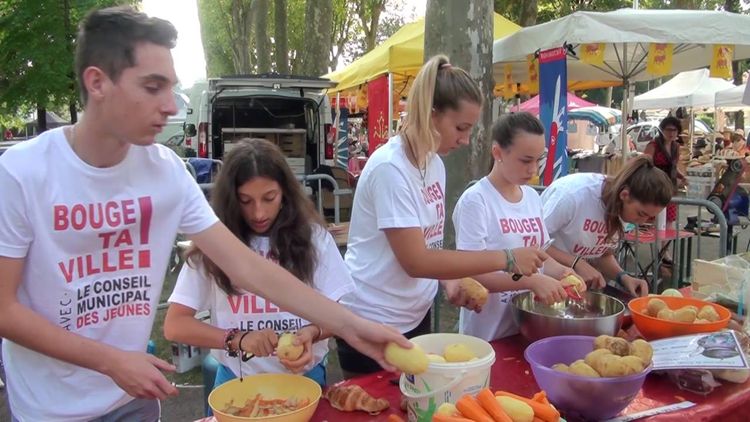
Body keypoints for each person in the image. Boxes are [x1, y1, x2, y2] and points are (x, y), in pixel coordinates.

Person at [0, 7, 407, 422]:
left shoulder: (166, 172)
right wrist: (112, 361)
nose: (170, 104)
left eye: (171, 88)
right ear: (97, 82)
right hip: (48, 408)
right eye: (152, 87)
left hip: (135, 398)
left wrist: (353, 327)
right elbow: (4, 309)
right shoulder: (21, 172)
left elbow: (248, 268)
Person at [336, 55, 548, 376]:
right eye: (460, 127)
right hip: (373, 319)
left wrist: (450, 282)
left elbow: (430, 243)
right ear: (431, 113)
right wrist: (506, 258)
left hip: (414, 315)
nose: (464, 140)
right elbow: (416, 261)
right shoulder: (390, 169)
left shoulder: (434, 164)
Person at [164, 138, 352, 390]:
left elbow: (341, 312)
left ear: (285, 193)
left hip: (306, 379)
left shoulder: (315, 239)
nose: (259, 213)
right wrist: (237, 339)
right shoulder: (216, 242)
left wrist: (312, 332)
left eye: (269, 198)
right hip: (237, 383)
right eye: (245, 201)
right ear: (230, 199)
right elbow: (176, 325)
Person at [453, 113, 579, 341]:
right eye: (525, 160)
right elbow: (471, 271)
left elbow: (540, 256)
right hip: (489, 335)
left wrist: (561, 272)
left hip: (528, 327)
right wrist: (532, 281)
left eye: (538, 160)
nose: (533, 169)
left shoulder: (531, 197)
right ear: (498, 153)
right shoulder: (476, 201)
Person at [541, 156, 674, 298]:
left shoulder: (622, 207)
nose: (641, 222)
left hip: (570, 286)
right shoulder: (572, 196)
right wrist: (577, 263)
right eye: (641, 214)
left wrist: (623, 277)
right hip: (542, 282)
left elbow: (603, 253)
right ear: (624, 195)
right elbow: (534, 242)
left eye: (650, 217)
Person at [644, 116, 686, 225]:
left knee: (669, 220)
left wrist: (682, 177)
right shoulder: (654, 145)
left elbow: (673, 167)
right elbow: (645, 165)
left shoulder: (675, 147)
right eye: (668, 130)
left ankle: (665, 242)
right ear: (662, 130)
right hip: (655, 187)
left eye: (674, 130)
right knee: (653, 221)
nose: (671, 133)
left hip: (670, 188)